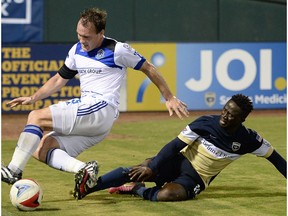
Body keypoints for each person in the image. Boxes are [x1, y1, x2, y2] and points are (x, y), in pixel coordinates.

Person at [1, 8, 189, 185]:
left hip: (101, 107)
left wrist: (169, 97)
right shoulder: (76, 50)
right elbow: (59, 78)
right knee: (40, 148)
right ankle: (84, 169)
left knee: (36, 117)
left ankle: (13, 170)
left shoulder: (118, 49)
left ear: (101, 33)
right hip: (95, 121)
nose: (82, 40)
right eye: (79, 34)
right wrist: (33, 97)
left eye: (86, 36)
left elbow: (148, 67)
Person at [73, 94, 286, 201]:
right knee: (141, 167)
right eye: (224, 110)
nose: (225, 115)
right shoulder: (205, 123)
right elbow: (175, 145)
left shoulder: (250, 140)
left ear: (242, 119)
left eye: (231, 114)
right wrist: (153, 167)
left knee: (166, 196)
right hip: (180, 162)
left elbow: (276, 159)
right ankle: (88, 188)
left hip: (196, 178)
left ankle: (137, 190)